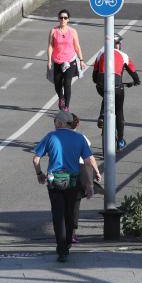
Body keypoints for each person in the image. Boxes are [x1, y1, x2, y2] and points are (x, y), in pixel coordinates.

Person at [32, 110, 100, 262]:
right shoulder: (79, 138)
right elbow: (87, 162)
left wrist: (39, 174)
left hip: (54, 181)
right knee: (70, 213)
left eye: (55, 121)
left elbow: (36, 159)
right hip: (73, 181)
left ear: (60, 123)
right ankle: (68, 242)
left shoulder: (50, 137)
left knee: (58, 214)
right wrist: (89, 185)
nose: (54, 123)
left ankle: (61, 247)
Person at [93, 34, 141, 151]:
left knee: (106, 95)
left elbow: (94, 75)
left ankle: (102, 116)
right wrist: (136, 81)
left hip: (101, 84)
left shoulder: (101, 54)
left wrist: (98, 81)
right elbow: (133, 72)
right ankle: (120, 141)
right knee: (119, 111)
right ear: (118, 44)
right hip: (117, 85)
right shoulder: (124, 55)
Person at [67, 114, 102, 244]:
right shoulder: (81, 138)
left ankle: (62, 230)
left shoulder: (57, 137)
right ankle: (72, 233)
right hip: (79, 172)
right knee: (75, 204)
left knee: (62, 203)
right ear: (77, 124)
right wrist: (96, 171)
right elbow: (89, 158)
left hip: (63, 171)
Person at [47, 9, 84, 111]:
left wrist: (81, 60)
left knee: (67, 84)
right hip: (57, 61)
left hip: (70, 61)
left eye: (65, 18)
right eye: (61, 17)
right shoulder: (53, 31)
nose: (63, 19)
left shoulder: (72, 31)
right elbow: (50, 46)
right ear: (58, 19)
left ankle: (66, 107)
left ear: (68, 19)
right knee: (57, 83)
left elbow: (77, 46)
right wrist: (49, 60)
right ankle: (61, 97)